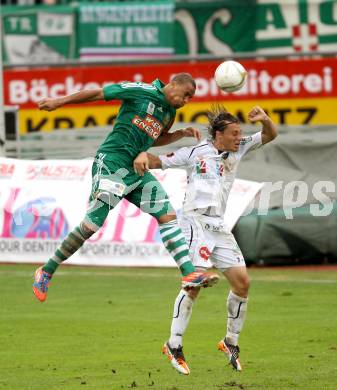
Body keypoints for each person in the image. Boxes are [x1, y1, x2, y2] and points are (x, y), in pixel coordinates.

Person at [32, 73, 220, 302]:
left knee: (167, 215)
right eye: (187, 95)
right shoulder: (141, 91)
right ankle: (46, 271)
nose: (186, 101)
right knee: (91, 225)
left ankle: (189, 273)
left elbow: (155, 138)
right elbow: (99, 93)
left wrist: (179, 134)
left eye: (190, 98)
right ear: (174, 85)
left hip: (137, 170)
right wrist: (59, 101)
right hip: (112, 163)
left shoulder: (170, 113)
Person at [133, 105, 277, 374]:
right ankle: (173, 344)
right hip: (194, 222)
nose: (239, 137)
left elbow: (269, 135)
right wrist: (142, 153)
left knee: (242, 283)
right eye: (234, 133)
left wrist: (265, 120)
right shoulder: (195, 152)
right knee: (194, 283)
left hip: (218, 226)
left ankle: (230, 342)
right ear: (218, 134)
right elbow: (157, 161)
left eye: (240, 133)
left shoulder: (239, 148)